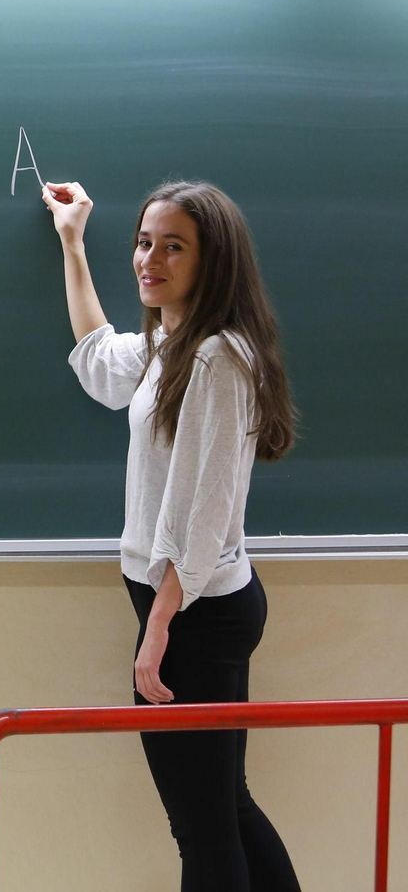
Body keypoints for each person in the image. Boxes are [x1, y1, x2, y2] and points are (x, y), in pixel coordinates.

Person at [43, 178, 300, 892]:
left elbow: (203, 513)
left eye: (173, 246)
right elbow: (100, 359)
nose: (149, 258)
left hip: (193, 613)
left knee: (202, 831)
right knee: (224, 811)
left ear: (212, 260)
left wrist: (158, 627)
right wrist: (73, 241)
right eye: (145, 241)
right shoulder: (173, 343)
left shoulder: (218, 359)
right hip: (189, 610)